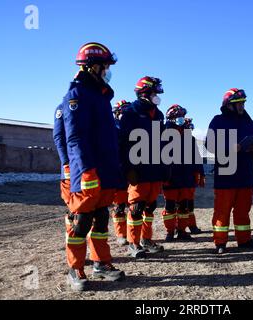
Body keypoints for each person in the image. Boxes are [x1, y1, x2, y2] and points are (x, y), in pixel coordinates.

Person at [56, 42, 125, 291]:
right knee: (80, 220)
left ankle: (101, 263)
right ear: (93, 67)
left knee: (101, 218)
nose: (108, 71)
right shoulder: (77, 95)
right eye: (105, 66)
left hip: (105, 170)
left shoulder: (100, 96)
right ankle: (75, 268)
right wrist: (85, 170)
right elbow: (74, 137)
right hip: (86, 172)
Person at [206, 88, 253, 254]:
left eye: (243, 103)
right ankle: (220, 243)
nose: (242, 106)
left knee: (243, 211)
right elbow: (209, 145)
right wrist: (234, 148)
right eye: (238, 103)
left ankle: (244, 240)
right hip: (226, 176)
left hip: (245, 175)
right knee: (222, 212)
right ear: (228, 105)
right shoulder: (218, 121)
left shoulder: (247, 120)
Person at [118, 76, 167, 258]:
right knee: (136, 208)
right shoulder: (131, 113)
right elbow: (123, 143)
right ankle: (133, 243)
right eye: (154, 93)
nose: (157, 96)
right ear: (144, 93)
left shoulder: (158, 115)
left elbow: (162, 142)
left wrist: (165, 165)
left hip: (155, 168)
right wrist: (127, 168)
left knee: (150, 206)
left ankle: (146, 239)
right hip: (138, 169)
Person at [161, 105, 205, 242]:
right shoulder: (163, 135)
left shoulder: (189, 137)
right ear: (172, 118)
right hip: (171, 177)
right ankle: (170, 232)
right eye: (179, 116)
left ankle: (182, 231)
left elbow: (196, 157)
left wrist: (200, 173)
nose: (182, 119)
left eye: (182, 116)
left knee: (185, 206)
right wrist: (163, 175)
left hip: (186, 177)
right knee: (170, 206)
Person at [111, 100, 131, 246]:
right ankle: (121, 234)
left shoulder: (133, 126)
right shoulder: (111, 126)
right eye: (123, 110)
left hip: (132, 170)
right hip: (117, 171)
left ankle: (133, 233)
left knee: (135, 206)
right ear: (117, 112)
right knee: (119, 206)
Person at [183, 118, 203, 234]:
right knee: (177, 205)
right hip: (177, 178)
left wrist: (201, 173)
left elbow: (197, 158)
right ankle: (176, 228)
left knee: (189, 204)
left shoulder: (191, 140)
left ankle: (191, 226)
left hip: (189, 177)